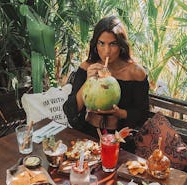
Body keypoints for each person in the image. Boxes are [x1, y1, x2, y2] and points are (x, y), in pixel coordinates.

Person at [63, 15, 149, 152]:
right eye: (101, 43)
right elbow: (70, 110)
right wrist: (88, 81)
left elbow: (142, 114)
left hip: (119, 139)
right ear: (95, 45)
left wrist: (119, 113)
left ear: (121, 45)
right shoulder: (87, 67)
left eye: (113, 44)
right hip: (87, 136)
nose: (106, 51)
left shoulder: (135, 73)